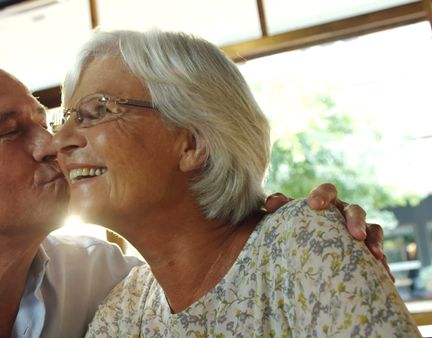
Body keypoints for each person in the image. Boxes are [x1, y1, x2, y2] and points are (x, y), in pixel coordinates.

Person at [0, 45, 386, 338]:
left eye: (47, 121)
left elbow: (204, 256)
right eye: (11, 132)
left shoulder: (108, 282)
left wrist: (279, 221)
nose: (53, 145)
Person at [52, 30, 419, 336]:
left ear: (192, 144)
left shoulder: (301, 242)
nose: (59, 140)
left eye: (96, 110)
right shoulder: (125, 308)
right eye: (63, 119)